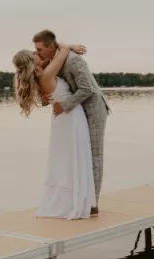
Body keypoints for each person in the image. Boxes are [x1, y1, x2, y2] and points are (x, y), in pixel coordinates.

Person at [12, 43, 97, 219]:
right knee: (75, 158)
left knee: (65, 161)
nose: (37, 53)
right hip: (71, 116)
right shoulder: (47, 74)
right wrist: (70, 46)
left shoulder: (38, 76)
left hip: (62, 119)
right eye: (34, 53)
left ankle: (71, 201)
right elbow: (64, 50)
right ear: (31, 61)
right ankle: (77, 202)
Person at [33, 30, 110, 216]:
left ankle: (93, 204)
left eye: (40, 49)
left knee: (94, 156)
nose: (38, 53)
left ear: (51, 47)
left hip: (93, 110)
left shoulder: (73, 60)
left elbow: (87, 89)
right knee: (80, 156)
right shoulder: (53, 61)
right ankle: (79, 198)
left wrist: (64, 106)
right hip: (76, 112)